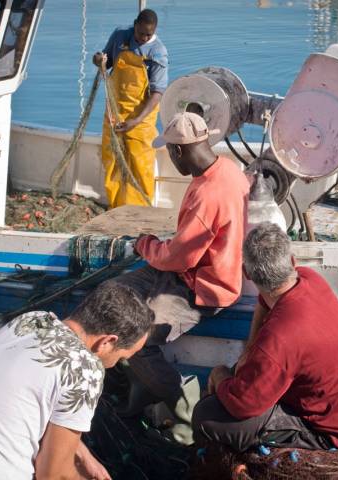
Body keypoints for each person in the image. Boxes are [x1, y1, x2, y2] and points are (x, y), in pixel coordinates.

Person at [0, 282, 154, 480]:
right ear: (107, 342)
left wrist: (82, 454)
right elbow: (52, 475)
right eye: (123, 357)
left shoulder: (31, 321)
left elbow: (29, 401)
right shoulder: (85, 369)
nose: (118, 364)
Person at [105, 112, 250, 443]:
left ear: (178, 152)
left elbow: (177, 257)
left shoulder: (207, 195)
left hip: (202, 288)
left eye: (170, 152)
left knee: (138, 339)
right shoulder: (227, 169)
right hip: (183, 273)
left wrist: (145, 245)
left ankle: (187, 409)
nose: (170, 158)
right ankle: (141, 387)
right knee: (110, 297)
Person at [191, 223, 338, 452]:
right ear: (293, 262)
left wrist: (219, 376)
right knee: (239, 374)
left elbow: (243, 405)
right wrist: (249, 350)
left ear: (246, 273)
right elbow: (265, 302)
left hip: (327, 430)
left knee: (206, 414)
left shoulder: (280, 339)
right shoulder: (308, 278)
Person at [92, 8, 168, 207]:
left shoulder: (158, 53)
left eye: (148, 35)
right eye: (141, 33)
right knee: (113, 160)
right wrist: (98, 59)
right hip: (114, 112)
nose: (143, 38)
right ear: (135, 24)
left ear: (155, 31)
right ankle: (115, 206)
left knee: (139, 164)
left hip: (141, 118)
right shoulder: (120, 36)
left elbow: (157, 93)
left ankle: (140, 211)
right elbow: (103, 61)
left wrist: (136, 121)